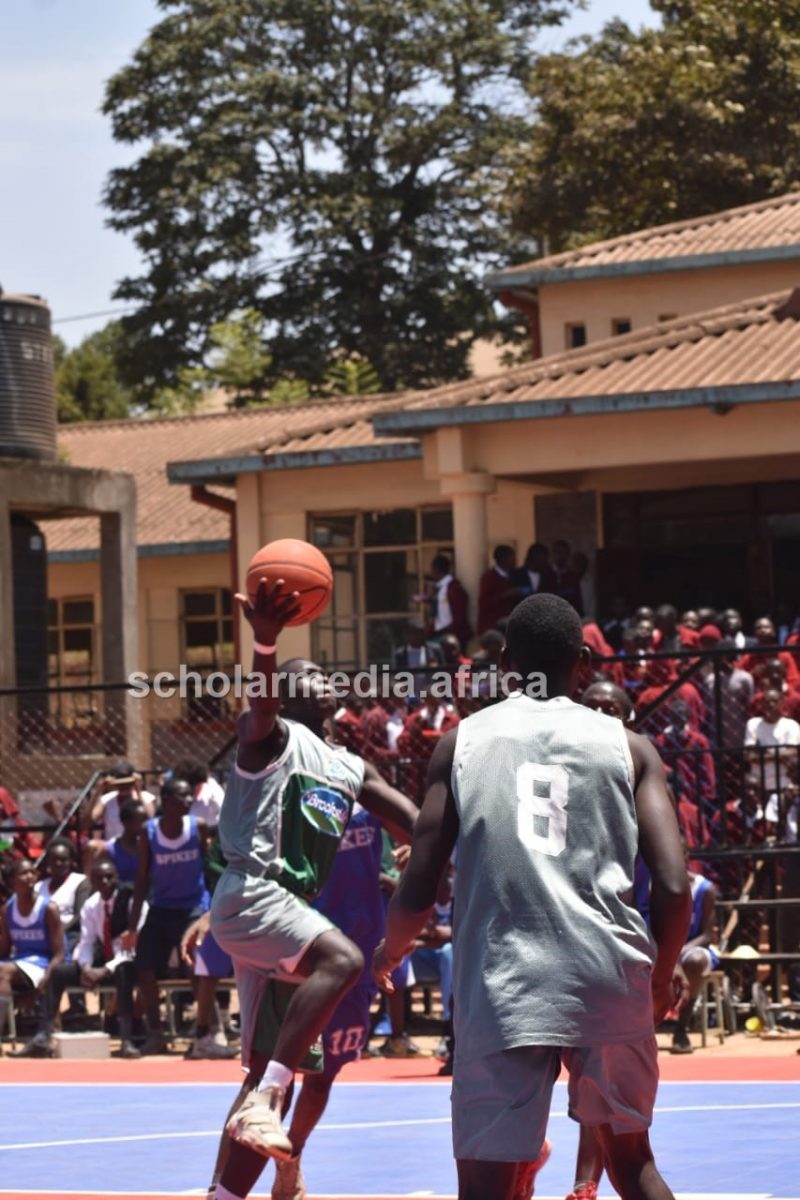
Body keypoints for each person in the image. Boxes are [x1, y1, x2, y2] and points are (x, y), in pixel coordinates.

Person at [373, 593, 691, 1200]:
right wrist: (661, 973)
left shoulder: (462, 743)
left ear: (506, 665)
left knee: (488, 1183)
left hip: (503, 986)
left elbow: (419, 888)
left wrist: (391, 951)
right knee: (634, 1166)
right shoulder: (630, 748)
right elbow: (674, 887)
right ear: (584, 663)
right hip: (607, 974)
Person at [207, 578, 417, 1195]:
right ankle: (267, 1096)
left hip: (285, 921)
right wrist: (267, 645)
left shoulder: (349, 766)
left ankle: (226, 1189)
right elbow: (259, 710)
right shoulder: (268, 740)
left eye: (325, 675)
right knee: (345, 959)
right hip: (253, 893)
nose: (320, 679)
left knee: (281, 1073)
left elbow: (411, 816)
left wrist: (442, 833)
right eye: (306, 673)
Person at [127, 776, 212, 1055]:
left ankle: (204, 1034)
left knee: (194, 967)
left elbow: (211, 872)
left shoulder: (197, 828)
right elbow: (141, 880)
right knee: (144, 966)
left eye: (190, 796)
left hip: (194, 909)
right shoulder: (149, 833)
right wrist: (132, 927)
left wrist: (212, 910)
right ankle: (156, 1033)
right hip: (162, 908)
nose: (188, 801)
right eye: (182, 796)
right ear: (166, 800)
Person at [71, 857, 144, 1059]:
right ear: (92, 881)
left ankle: (126, 1039)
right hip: (105, 958)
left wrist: (106, 969)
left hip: (132, 961)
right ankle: (44, 1035)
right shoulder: (91, 905)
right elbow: (86, 941)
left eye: (109, 877)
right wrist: (86, 967)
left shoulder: (132, 901)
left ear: (117, 877)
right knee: (60, 973)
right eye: (99, 878)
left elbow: (133, 945)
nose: (105, 882)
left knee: (123, 972)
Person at [0, 858, 64, 1057]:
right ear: (12, 881)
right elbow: (4, 950)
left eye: (32, 873)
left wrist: (43, 985)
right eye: (23, 873)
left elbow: (60, 954)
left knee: (3, 971)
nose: (29, 877)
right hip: (19, 964)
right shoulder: (7, 910)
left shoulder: (48, 909)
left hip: (44, 964)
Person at [671, 851, 718, 1055]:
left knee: (696, 961)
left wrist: (678, 952)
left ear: (685, 857)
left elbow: (708, 935)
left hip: (694, 948)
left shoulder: (705, 889)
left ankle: (681, 1030)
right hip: (663, 949)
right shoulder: (652, 886)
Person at [91, 763, 156, 841]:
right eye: (120, 784)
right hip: (115, 847)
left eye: (127, 783)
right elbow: (88, 821)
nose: (124, 787)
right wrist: (98, 790)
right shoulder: (107, 799)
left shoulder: (145, 797)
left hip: (139, 846)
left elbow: (151, 818)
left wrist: (138, 790)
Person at [427, 554, 471, 646]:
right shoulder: (438, 587)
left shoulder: (453, 588)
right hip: (438, 631)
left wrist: (453, 633)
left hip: (450, 633)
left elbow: (459, 612)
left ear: (436, 569)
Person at [477, 545, 521, 634]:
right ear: (502, 559)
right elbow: (484, 602)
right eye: (511, 557)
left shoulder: (514, 575)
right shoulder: (489, 577)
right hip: (493, 626)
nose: (515, 560)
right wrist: (504, 595)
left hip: (510, 626)